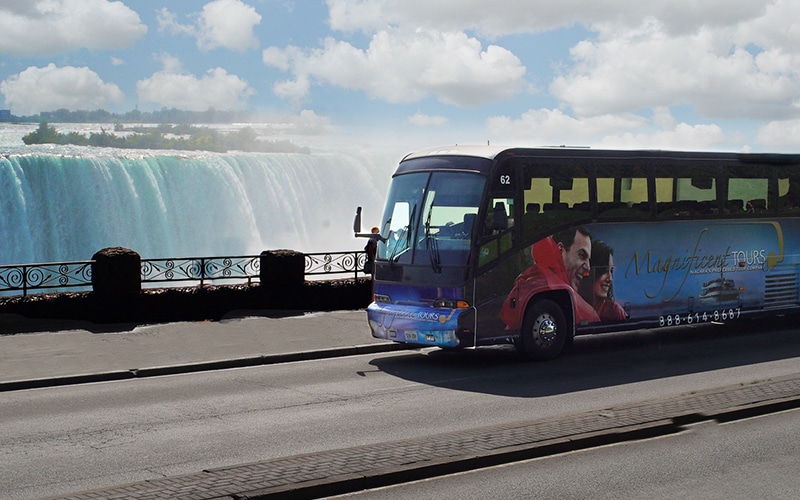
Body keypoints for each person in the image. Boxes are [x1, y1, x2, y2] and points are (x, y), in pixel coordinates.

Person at [499, 226, 599, 330]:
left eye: (589, 259)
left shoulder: (540, 276)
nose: (588, 267)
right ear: (560, 250)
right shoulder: (544, 281)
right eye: (582, 255)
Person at [578, 239, 627, 321]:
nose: (610, 279)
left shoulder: (614, 311)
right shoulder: (576, 304)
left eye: (611, 271)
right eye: (604, 271)